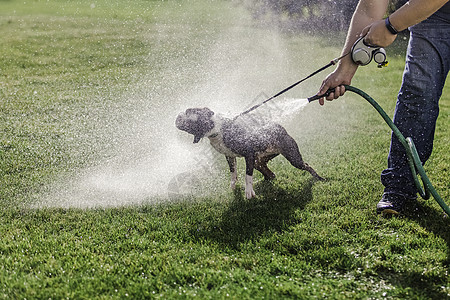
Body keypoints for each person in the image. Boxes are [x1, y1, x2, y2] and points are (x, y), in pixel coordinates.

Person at [317, 0, 449, 215]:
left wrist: (391, 26)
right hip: (432, 17)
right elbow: (370, 9)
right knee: (416, 94)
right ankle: (400, 188)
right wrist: (344, 70)